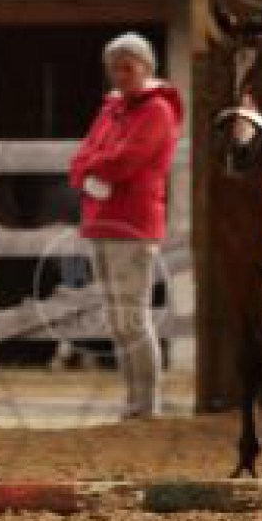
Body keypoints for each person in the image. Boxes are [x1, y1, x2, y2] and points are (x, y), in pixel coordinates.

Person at [66, 32, 183, 419]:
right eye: (114, 68)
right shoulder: (111, 109)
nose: (119, 75)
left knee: (133, 317)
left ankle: (146, 404)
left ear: (146, 68)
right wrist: (89, 169)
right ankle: (133, 401)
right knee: (117, 320)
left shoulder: (157, 112)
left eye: (127, 67)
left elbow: (125, 161)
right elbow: (81, 157)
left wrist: (92, 167)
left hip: (132, 226)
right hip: (100, 223)